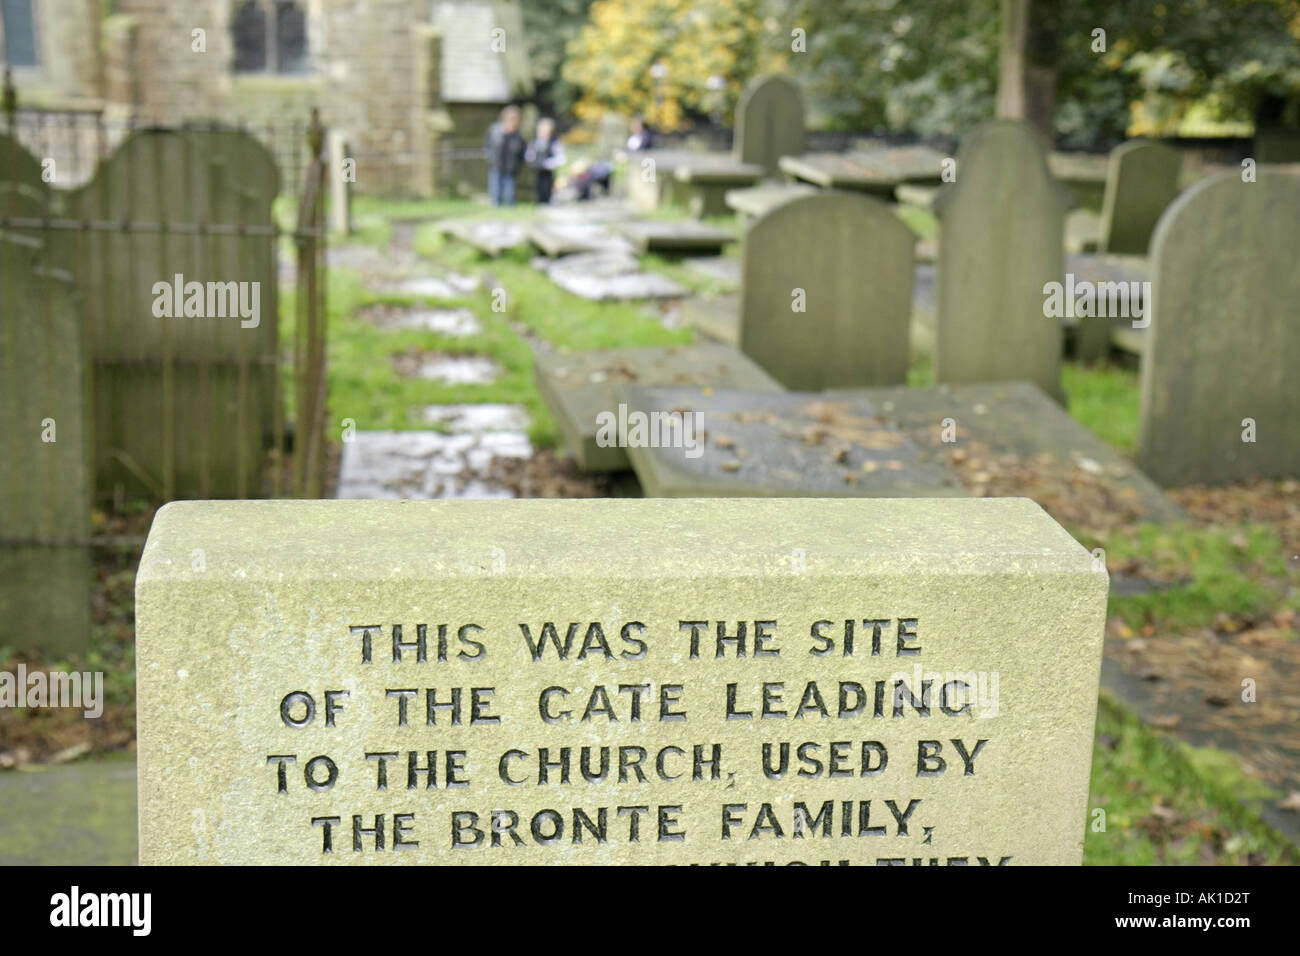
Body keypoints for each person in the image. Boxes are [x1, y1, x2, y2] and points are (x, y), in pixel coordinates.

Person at [483, 105, 526, 206]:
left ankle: (509, 215)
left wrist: (518, 165)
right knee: (495, 194)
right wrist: (489, 158)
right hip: (496, 166)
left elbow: (521, 152)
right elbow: (487, 145)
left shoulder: (518, 135)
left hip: (510, 169)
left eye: (516, 120)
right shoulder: (494, 130)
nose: (514, 122)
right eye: (512, 119)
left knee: (509, 196)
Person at [525, 117, 566, 204]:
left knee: (548, 189)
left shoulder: (554, 143)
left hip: (548, 173)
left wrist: (550, 163)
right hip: (537, 171)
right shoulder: (534, 142)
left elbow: (561, 158)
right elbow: (529, 155)